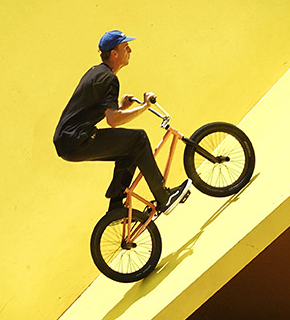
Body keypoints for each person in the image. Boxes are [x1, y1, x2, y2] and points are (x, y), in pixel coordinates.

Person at [54, 31, 192, 215]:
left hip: (69, 140)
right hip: (77, 139)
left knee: (129, 149)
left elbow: (102, 110)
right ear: (114, 53)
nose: (130, 50)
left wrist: (121, 106)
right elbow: (113, 120)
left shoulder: (96, 72)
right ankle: (163, 197)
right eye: (125, 47)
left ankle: (116, 207)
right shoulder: (110, 79)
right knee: (139, 139)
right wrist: (144, 106)